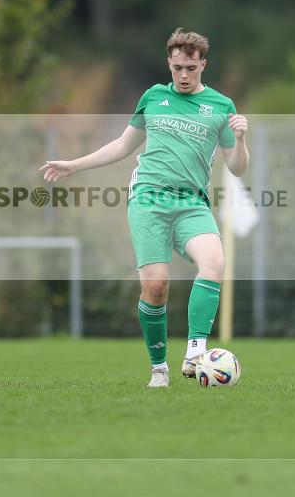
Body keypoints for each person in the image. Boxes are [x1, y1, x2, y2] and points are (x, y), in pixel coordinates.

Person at [40, 29, 249, 388]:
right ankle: (159, 369)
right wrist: (74, 164)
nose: (184, 75)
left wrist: (241, 139)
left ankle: (195, 353)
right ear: (169, 62)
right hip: (149, 200)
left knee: (214, 262)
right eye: (178, 67)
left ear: (203, 65)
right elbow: (123, 145)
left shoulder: (220, 106)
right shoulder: (153, 97)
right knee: (156, 287)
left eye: (191, 68)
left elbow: (238, 166)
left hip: (191, 202)